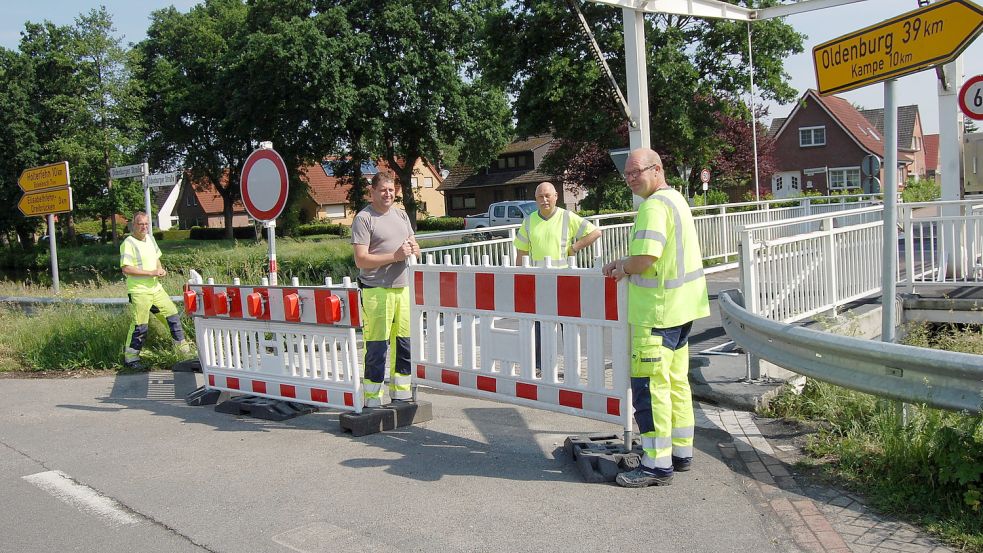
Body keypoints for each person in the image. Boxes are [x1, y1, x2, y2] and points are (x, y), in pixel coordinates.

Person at [602, 148, 710, 488]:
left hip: (657, 311)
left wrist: (622, 266)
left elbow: (647, 256)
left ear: (657, 169)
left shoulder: (652, 207)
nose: (631, 178)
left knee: (650, 387)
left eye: (637, 172)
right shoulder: (676, 199)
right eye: (627, 174)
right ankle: (680, 453)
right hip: (682, 309)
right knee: (676, 382)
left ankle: (655, 465)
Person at [352, 169, 421, 408]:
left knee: (403, 342)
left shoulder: (401, 215)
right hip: (376, 289)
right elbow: (361, 260)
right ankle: (372, 398)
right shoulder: (364, 218)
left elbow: (414, 243)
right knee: (377, 345)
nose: (388, 194)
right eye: (382, 190)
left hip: (402, 287)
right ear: (372, 192)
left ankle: (400, 393)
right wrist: (395, 255)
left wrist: (414, 248)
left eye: (391, 190)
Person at [120, 211, 191, 370]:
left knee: (172, 315)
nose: (144, 227)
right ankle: (131, 359)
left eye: (146, 224)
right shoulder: (128, 243)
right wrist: (151, 273)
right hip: (139, 291)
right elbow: (126, 268)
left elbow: (157, 259)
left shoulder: (151, 239)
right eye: (141, 224)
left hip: (156, 289)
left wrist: (160, 270)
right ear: (134, 225)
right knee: (140, 325)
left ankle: (183, 351)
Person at [513, 181, 601, 268]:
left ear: (556, 196)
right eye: (540, 197)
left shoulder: (567, 216)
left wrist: (574, 248)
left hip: (563, 275)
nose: (544, 200)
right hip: (539, 277)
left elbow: (595, 232)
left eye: (547, 196)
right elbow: (522, 252)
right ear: (536, 199)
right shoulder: (528, 221)